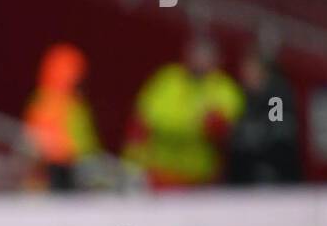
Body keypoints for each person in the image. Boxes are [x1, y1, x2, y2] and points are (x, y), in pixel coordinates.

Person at [122, 35, 243, 187]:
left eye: (206, 56)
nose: (200, 61)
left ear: (217, 60)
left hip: (201, 178)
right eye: (197, 54)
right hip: (160, 174)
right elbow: (140, 122)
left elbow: (226, 131)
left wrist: (212, 126)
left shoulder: (224, 88)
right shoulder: (168, 79)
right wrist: (132, 165)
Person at [22, 43, 100, 191]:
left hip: (50, 165)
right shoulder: (72, 105)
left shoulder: (42, 100)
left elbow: (31, 137)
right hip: (65, 166)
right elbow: (83, 139)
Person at [226, 45, 302, 184]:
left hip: (275, 173)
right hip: (246, 174)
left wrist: (249, 133)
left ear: (264, 71)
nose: (246, 73)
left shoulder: (276, 97)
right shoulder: (243, 96)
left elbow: (279, 134)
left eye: (251, 69)